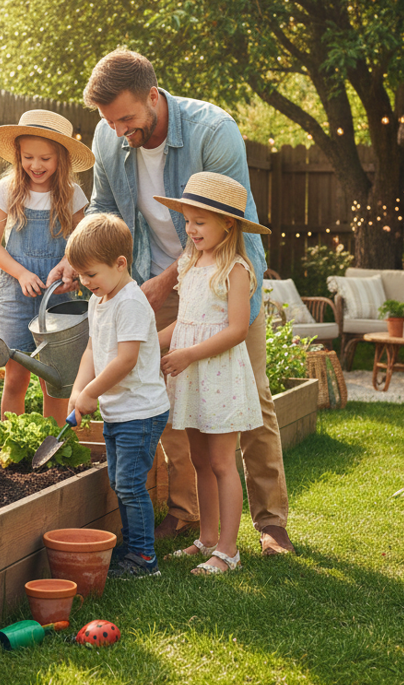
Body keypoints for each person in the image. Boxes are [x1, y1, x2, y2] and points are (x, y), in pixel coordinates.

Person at [50, 48, 295, 556]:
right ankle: (190, 517)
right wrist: (80, 259)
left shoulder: (213, 130)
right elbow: (103, 207)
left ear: (153, 97)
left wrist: (169, 281)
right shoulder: (106, 133)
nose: (118, 130)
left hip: (221, 277)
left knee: (249, 394)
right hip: (141, 278)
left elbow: (229, 215)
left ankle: (271, 524)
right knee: (173, 398)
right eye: (109, 121)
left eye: (127, 118)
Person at [155, 173, 272, 574]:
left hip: (217, 375)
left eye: (200, 222)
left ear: (228, 224)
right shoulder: (188, 262)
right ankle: (205, 538)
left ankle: (228, 550)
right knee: (199, 460)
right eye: (188, 220)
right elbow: (185, 321)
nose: (191, 229)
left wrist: (187, 355)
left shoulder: (235, 268)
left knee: (223, 462)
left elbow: (237, 329)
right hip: (191, 375)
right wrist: (154, 344)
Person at [65, 214, 170, 578]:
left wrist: (92, 392)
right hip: (118, 410)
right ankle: (133, 546)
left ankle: (143, 559)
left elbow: (126, 360)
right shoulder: (100, 300)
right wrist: (79, 390)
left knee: (129, 483)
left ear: (120, 263)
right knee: (120, 482)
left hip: (140, 412)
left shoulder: (130, 302)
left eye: (91, 274)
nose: (84, 282)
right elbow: (92, 351)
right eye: (80, 275)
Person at [0, 110, 94, 425]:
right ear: (18, 156)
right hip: (17, 296)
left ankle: (55, 445)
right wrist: (20, 273)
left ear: (61, 158)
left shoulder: (72, 195)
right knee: (15, 377)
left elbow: (81, 240)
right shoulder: (7, 190)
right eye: (28, 157)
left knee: (56, 382)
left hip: (57, 297)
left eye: (45, 158)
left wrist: (68, 262)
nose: (36, 165)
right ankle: (12, 440)